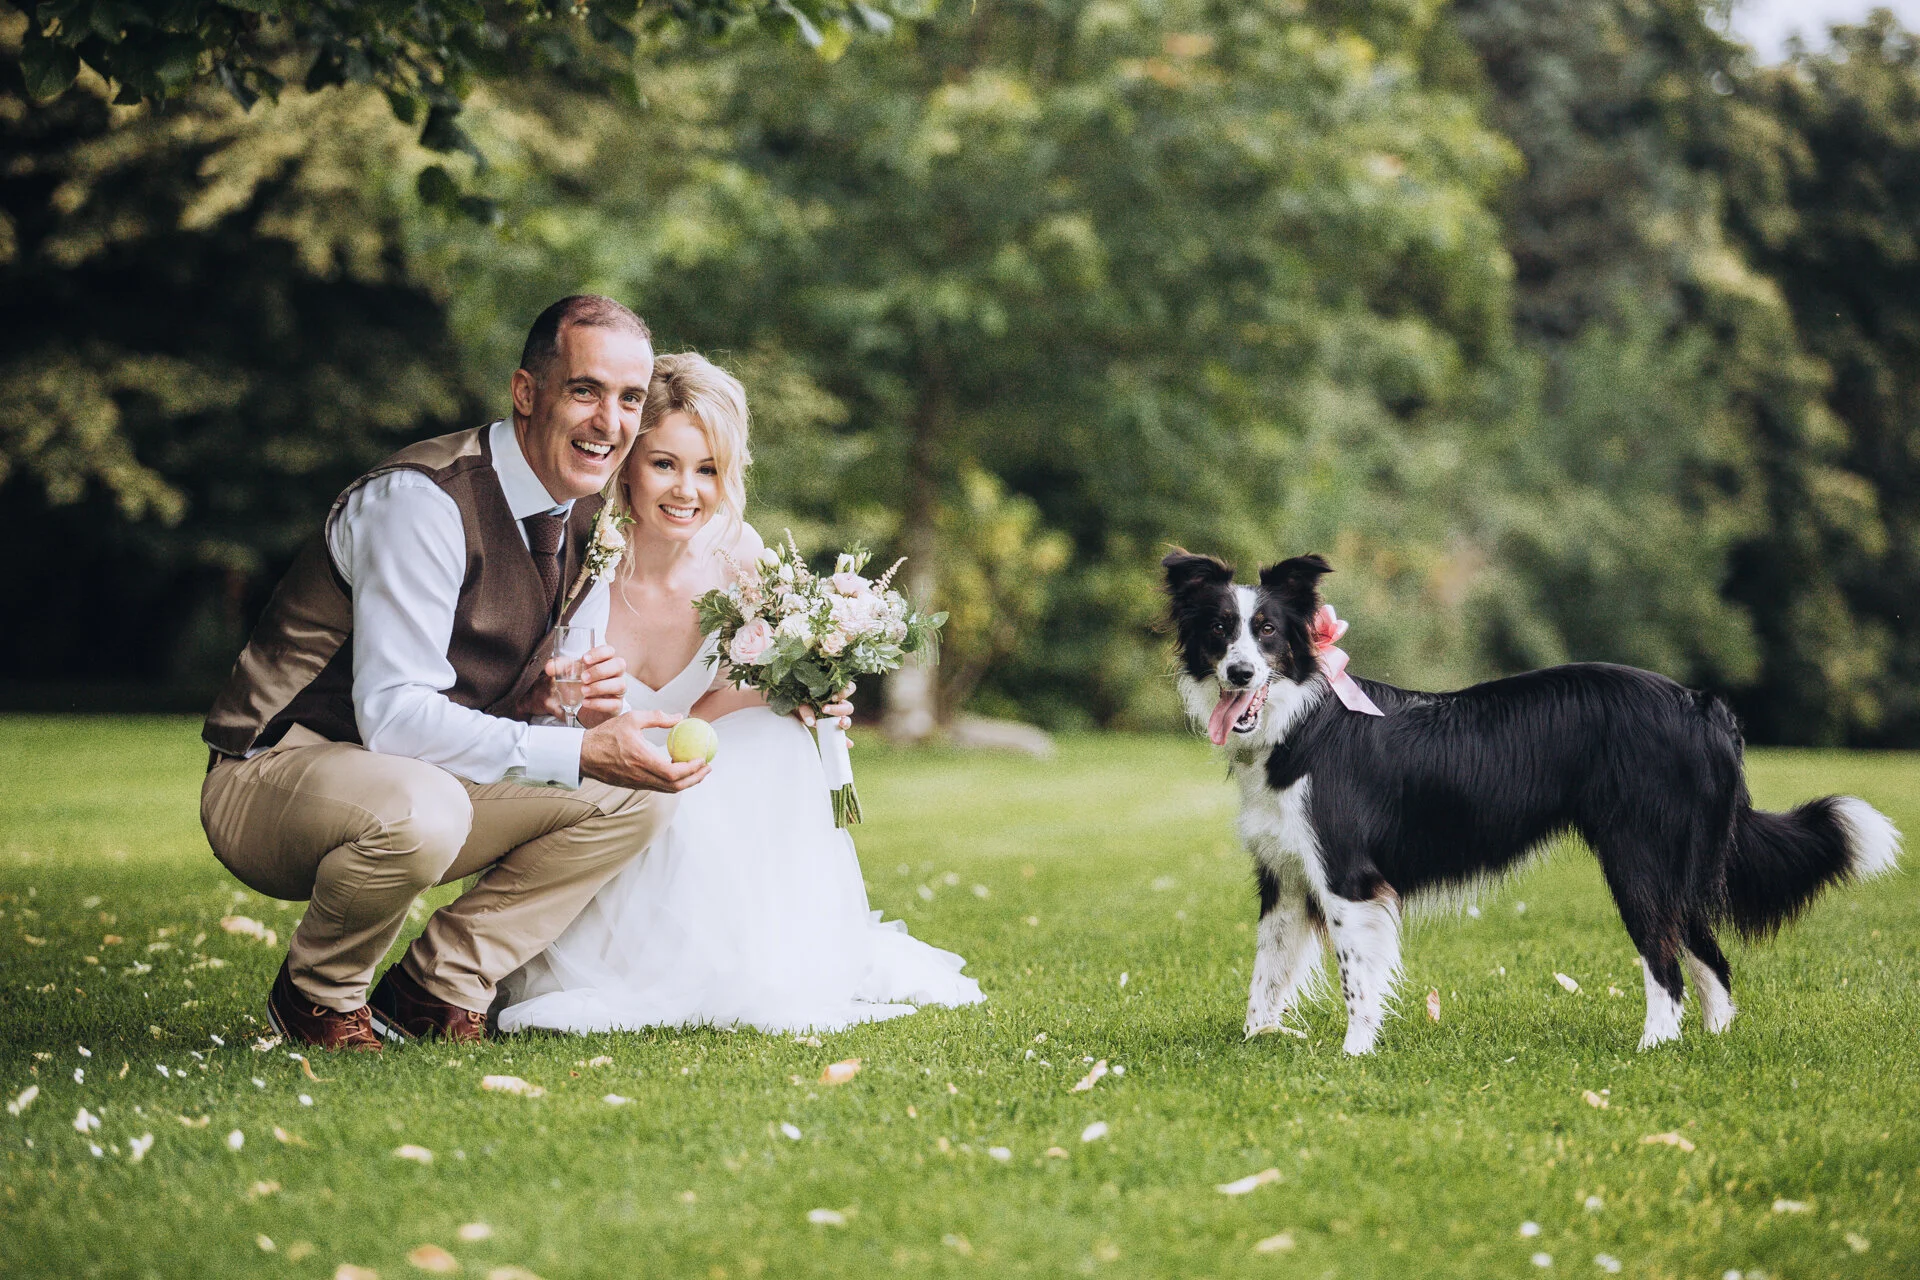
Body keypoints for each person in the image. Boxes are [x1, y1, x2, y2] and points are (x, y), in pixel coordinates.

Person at [199, 296, 709, 1052]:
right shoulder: (422, 502)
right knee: (429, 807)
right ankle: (319, 995)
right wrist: (574, 749)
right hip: (275, 771)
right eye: (585, 390)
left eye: (630, 399)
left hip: (410, 778)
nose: (610, 422)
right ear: (526, 392)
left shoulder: (583, 513)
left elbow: (497, 701)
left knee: (635, 793)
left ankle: (436, 987)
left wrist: (550, 699)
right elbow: (396, 717)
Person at [495, 353, 985, 1034]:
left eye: (708, 470)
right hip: (596, 761)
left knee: (776, 736)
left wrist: (804, 695)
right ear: (627, 463)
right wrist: (572, 697)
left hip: (696, 751)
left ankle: (760, 956)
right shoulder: (579, 549)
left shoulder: (738, 553)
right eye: (664, 464)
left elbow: (737, 690)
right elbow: (522, 689)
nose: (686, 490)